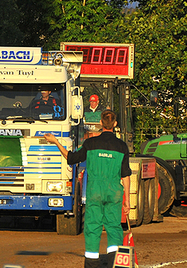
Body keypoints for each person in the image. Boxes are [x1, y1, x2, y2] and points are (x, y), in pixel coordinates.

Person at [44, 110, 131, 268]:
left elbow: (71, 158)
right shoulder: (122, 146)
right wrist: (128, 202)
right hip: (114, 192)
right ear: (115, 124)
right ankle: (115, 264)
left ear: (100, 123)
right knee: (114, 227)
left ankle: (91, 264)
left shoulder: (90, 144)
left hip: (95, 192)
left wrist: (56, 141)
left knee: (93, 227)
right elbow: (125, 175)